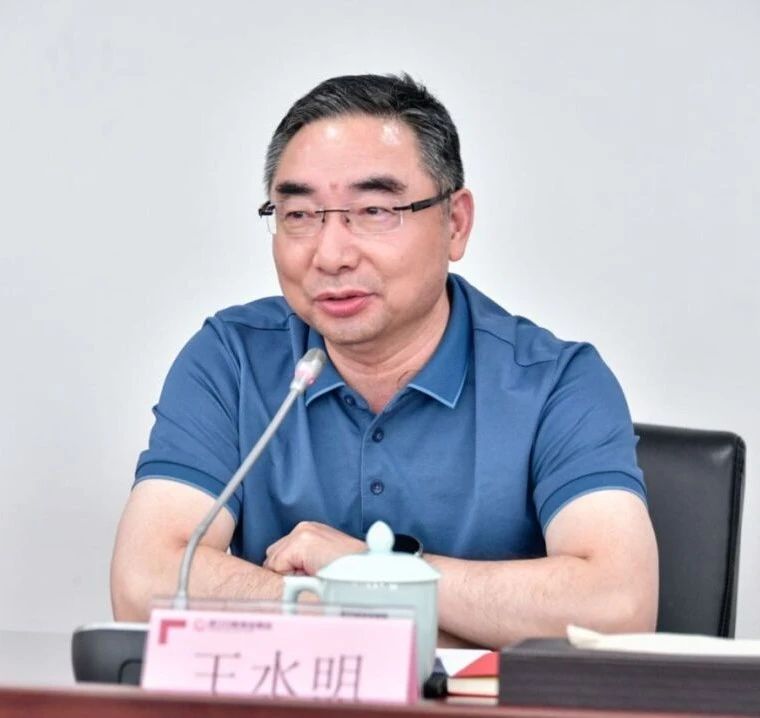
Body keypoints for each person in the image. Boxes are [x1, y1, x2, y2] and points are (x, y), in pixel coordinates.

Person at [111, 74, 658, 648]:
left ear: (455, 223)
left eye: (373, 210)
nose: (331, 254)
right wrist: (361, 596)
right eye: (299, 214)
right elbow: (143, 583)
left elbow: (617, 606)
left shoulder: (556, 383)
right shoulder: (231, 359)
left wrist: (366, 573)